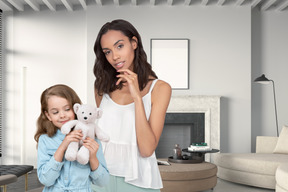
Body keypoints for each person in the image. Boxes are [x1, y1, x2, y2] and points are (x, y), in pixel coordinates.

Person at [92, 19, 172, 192]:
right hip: (100, 176)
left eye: (119, 46)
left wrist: (137, 97)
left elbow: (146, 149)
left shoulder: (159, 89)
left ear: (134, 43)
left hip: (139, 180)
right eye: (107, 52)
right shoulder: (101, 86)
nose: (114, 57)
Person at [34, 84, 109, 192]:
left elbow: (103, 182)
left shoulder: (91, 139)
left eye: (67, 109)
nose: (62, 115)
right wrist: (63, 146)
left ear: (76, 109)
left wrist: (92, 157)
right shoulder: (45, 140)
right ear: (48, 116)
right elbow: (46, 180)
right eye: (55, 112)